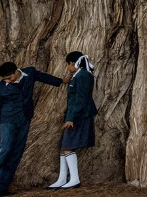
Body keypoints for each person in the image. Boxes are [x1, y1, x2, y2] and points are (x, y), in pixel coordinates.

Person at [0, 60, 64, 197]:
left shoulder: (30, 73)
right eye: (5, 79)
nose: (8, 81)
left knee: (16, 154)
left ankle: (0, 189)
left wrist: (63, 81)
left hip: (24, 120)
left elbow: (45, 77)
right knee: (3, 152)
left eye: (9, 78)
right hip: (7, 122)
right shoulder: (0, 87)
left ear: (16, 71)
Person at [47, 51, 98, 189]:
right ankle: (62, 179)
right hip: (74, 115)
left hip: (80, 116)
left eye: (67, 65)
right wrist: (65, 113)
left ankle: (74, 179)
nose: (67, 68)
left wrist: (70, 118)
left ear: (72, 63)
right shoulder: (78, 75)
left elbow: (81, 100)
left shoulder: (83, 76)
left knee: (68, 146)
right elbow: (74, 99)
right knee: (64, 146)